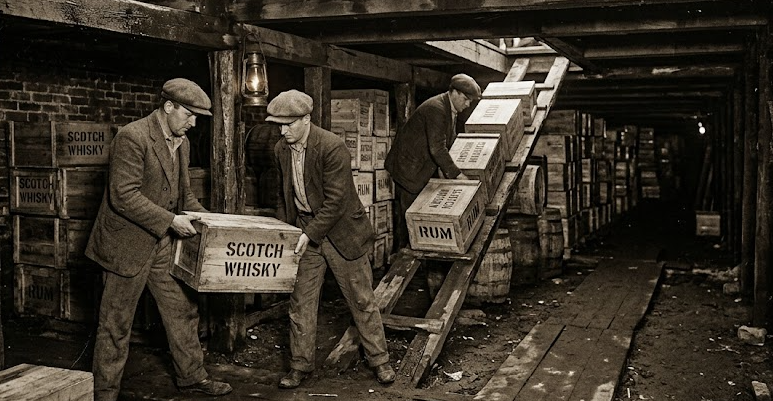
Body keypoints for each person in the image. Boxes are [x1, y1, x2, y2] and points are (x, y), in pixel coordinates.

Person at [85, 78, 233, 401]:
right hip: (125, 246)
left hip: (160, 245)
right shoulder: (132, 138)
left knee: (181, 309)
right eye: (190, 115)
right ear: (169, 108)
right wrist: (171, 221)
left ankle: (192, 375)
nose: (194, 123)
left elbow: (185, 196)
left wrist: (209, 220)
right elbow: (122, 195)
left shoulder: (182, 143)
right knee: (116, 325)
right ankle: (103, 394)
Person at [267, 89, 396, 389]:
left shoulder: (331, 146)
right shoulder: (280, 150)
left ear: (306, 119)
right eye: (279, 124)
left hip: (341, 233)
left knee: (362, 300)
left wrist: (309, 234)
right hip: (305, 230)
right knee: (301, 302)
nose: (282, 130)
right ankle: (300, 366)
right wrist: (285, 231)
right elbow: (282, 195)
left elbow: (336, 202)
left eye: (288, 124)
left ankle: (380, 361)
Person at [385, 73, 482, 249]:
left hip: (420, 167)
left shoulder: (449, 109)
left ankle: (416, 253)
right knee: (410, 218)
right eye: (466, 100)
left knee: (417, 218)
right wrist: (457, 176)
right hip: (408, 170)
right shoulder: (436, 108)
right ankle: (404, 255)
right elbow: (437, 148)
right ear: (455, 93)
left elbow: (445, 144)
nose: (468, 105)